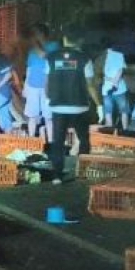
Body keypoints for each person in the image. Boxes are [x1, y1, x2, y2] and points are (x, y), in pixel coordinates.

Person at [45, 27, 93, 183]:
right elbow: (90, 85)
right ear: (79, 40)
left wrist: (48, 97)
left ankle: (57, 176)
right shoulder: (85, 58)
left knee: (58, 141)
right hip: (80, 105)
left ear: (64, 38)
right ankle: (82, 172)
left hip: (58, 105)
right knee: (84, 139)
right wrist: (99, 104)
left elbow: (47, 81)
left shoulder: (51, 58)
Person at [22, 24, 52, 138]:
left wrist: (35, 44)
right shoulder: (32, 52)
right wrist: (25, 88)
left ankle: (51, 142)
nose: (33, 37)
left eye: (35, 34)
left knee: (49, 117)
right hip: (32, 86)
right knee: (32, 116)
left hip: (47, 87)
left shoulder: (53, 46)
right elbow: (29, 70)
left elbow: (44, 55)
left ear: (43, 34)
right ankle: (31, 140)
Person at [98, 38, 128, 133]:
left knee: (108, 112)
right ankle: (125, 131)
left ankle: (109, 133)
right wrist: (115, 82)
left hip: (106, 89)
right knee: (124, 111)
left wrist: (109, 80)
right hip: (120, 88)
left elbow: (99, 74)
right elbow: (121, 70)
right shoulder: (120, 55)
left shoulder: (100, 58)